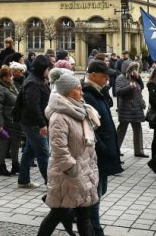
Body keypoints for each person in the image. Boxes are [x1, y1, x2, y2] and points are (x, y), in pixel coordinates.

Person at [38, 73, 99, 236]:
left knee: (84, 218)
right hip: (67, 175)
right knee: (57, 214)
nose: (82, 92)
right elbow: (58, 147)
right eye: (78, 89)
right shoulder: (60, 115)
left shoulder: (81, 110)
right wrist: (71, 168)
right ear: (67, 92)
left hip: (84, 171)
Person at [83, 61, 124, 236]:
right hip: (98, 152)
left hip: (105, 149)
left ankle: (71, 214)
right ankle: (95, 229)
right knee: (95, 194)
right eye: (104, 75)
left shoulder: (98, 92)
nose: (107, 78)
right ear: (92, 75)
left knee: (101, 190)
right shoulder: (87, 94)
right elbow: (89, 127)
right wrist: (103, 146)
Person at [18, 54, 53, 189]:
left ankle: (23, 180)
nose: (48, 71)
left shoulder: (39, 80)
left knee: (29, 152)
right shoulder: (33, 82)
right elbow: (32, 106)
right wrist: (42, 124)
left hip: (35, 122)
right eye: (47, 68)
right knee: (43, 153)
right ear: (41, 68)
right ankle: (50, 184)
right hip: (34, 123)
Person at [0, 66, 21, 176]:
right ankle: (1, 166)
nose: (11, 78)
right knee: (4, 143)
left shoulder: (10, 86)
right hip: (4, 121)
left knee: (15, 142)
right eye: (9, 76)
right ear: (3, 77)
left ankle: (15, 164)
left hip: (13, 121)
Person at [114, 61, 147, 158]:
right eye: (132, 69)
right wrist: (129, 87)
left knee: (137, 129)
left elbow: (141, 87)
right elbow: (118, 92)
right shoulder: (120, 78)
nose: (134, 71)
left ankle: (139, 151)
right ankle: (116, 149)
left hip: (136, 107)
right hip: (126, 108)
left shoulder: (134, 77)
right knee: (122, 129)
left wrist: (138, 78)